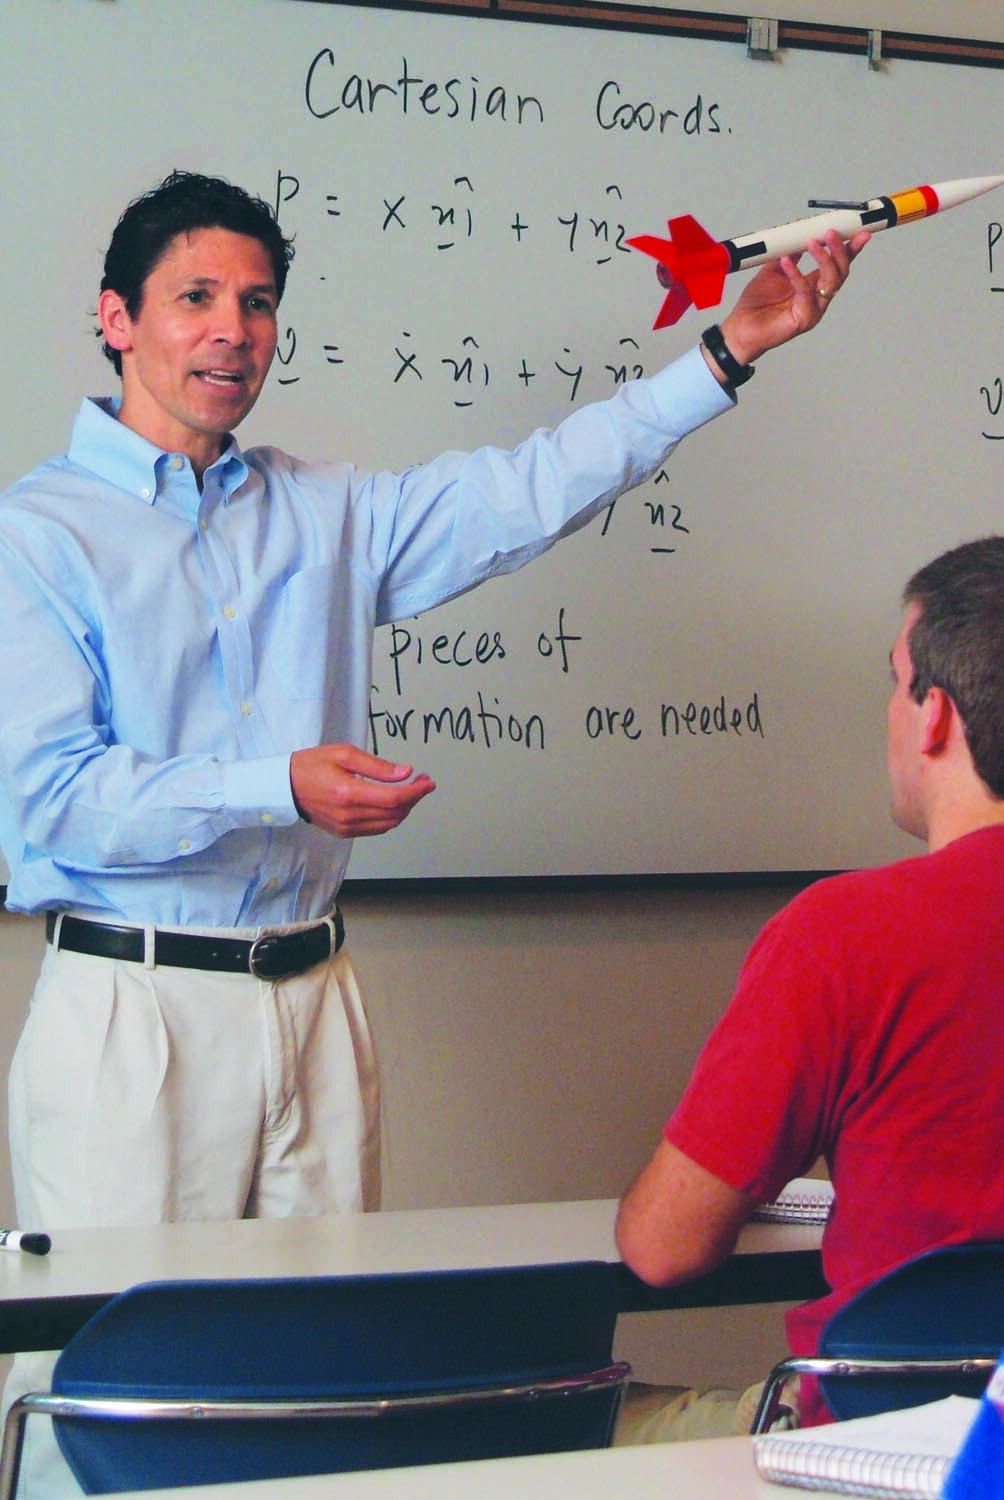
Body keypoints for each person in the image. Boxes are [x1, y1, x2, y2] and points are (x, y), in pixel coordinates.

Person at [0, 169, 860, 1493]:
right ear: (117, 318)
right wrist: (272, 785)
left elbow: (532, 491)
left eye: (259, 302)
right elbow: (49, 799)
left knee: (329, 1403)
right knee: (107, 1413)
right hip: (133, 1008)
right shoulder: (37, 533)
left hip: (312, 997)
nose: (233, 331)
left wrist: (728, 350)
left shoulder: (323, 509)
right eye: (196, 299)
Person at [615, 533, 1004, 1440]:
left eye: (893, 678)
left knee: (557, 1420)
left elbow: (662, 1248)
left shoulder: (847, 936)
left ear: (934, 716)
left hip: (883, 1449)